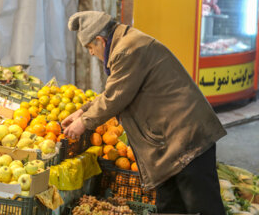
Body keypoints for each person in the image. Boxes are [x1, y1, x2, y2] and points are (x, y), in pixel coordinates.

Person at [62, 11, 227, 215]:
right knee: (170, 206)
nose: (90, 53)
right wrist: (82, 111)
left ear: (100, 40)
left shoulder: (127, 49)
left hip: (186, 138)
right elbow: (115, 90)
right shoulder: (125, 45)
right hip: (170, 142)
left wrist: (84, 122)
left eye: (89, 48)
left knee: (202, 206)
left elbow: (115, 97)